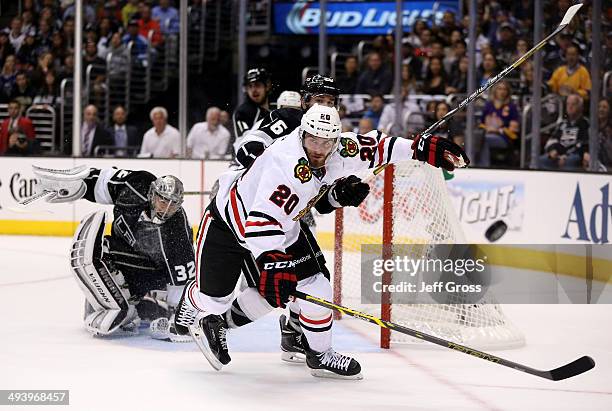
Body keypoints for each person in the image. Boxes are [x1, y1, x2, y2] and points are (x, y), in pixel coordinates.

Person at [173, 104, 469, 379]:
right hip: (229, 226)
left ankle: (320, 354)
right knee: (214, 299)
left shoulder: (342, 149)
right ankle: (193, 299)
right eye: (313, 141)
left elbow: (379, 147)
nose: (318, 150)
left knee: (314, 287)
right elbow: (260, 222)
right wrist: (275, 264)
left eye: (326, 143)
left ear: (336, 141)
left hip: (282, 229)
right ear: (301, 134)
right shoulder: (284, 165)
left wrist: (419, 147)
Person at [31, 165, 195, 341]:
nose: (166, 209)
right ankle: (114, 305)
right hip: (123, 252)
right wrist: (82, 185)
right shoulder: (136, 185)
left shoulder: (177, 232)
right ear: (152, 194)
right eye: (163, 201)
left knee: (108, 258)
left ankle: (131, 308)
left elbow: (183, 283)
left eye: (173, 205)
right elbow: (103, 182)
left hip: (153, 274)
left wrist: (178, 322)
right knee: (99, 251)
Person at [540, 94, 589, 170]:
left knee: (570, 161)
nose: (570, 107)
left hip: (575, 155)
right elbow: (552, 140)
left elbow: (583, 144)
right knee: (541, 160)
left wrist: (565, 154)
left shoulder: (585, 124)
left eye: (573, 104)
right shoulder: (563, 124)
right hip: (559, 154)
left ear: (581, 107)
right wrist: (552, 150)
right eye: (568, 104)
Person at [477, 81, 520, 167]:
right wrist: (487, 128)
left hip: (504, 138)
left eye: (504, 89)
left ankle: (483, 166)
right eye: (499, 89)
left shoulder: (512, 107)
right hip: (486, 133)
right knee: (476, 137)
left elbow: (514, 131)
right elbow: (481, 124)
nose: (502, 91)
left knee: (484, 139)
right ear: (495, 91)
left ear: (508, 92)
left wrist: (498, 130)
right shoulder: (489, 105)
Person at [232, 67, 272, 139]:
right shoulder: (242, 113)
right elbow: (243, 142)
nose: (253, 90)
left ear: (267, 86)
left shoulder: (278, 107)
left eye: (257, 85)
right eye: (250, 86)